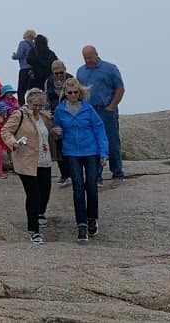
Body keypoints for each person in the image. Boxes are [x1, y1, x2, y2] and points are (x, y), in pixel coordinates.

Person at [53, 77, 109, 242]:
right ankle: (81, 224)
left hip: (90, 150)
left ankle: (92, 219)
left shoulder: (88, 109)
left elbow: (99, 130)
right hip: (71, 152)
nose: (72, 95)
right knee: (77, 186)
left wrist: (104, 153)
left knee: (91, 184)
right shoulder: (60, 110)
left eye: (75, 92)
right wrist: (58, 132)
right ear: (65, 93)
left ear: (80, 93)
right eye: (69, 92)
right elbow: (58, 129)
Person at [2, 88, 59, 244]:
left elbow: (48, 135)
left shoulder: (44, 117)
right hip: (27, 161)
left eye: (41, 105)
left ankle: (40, 214)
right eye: (35, 105)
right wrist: (13, 143)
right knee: (33, 195)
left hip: (44, 160)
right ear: (28, 103)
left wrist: (55, 132)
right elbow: (6, 131)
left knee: (45, 192)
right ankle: (34, 230)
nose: (39, 108)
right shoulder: (19, 115)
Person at [76, 45, 125, 185]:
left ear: (97, 54)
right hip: (89, 111)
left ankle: (117, 172)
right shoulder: (81, 72)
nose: (88, 60)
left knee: (112, 142)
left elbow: (120, 88)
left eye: (90, 57)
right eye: (85, 58)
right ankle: (96, 176)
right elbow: (79, 92)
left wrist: (112, 106)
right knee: (92, 143)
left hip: (106, 110)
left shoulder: (110, 69)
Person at [43, 59, 74, 185]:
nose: (59, 75)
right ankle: (64, 174)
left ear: (65, 70)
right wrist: (46, 113)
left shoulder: (71, 80)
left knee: (70, 144)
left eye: (61, 72)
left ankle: (74, 172)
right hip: (55, 116)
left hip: (70, 115)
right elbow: (46, 99)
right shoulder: (48, 82)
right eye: (56, 73)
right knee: (59, 145)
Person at [11, 29, 37, 102]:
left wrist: (14, 56)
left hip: (24, 69)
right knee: (31, 91)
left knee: (21, 91)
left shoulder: (23, 43)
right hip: (33, 71)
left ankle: (22, 107)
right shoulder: (34, 45)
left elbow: (19, 55)